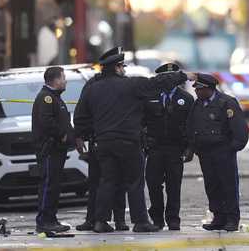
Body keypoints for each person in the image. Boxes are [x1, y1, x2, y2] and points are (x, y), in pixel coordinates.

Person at [74, 47, 197, 233]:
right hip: (128, 142)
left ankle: (100, 221)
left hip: (104, 142)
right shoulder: (131, 85)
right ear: (116, 67)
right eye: (122, 66)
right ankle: (140, 222)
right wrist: (184, 76)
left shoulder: (92, 89)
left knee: (107, 181)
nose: (124, 69)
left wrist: (84, 135)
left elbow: (81, 117)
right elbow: (159, 82)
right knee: (134, 181)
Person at [184, 73, 249, 232]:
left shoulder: (226, 103)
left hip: (223, 152)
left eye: (200, 89)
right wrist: (193, 148)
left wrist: (233, 147)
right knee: (212, 186)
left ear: (209, 89)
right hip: (205, 153)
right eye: (196, 90)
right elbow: (191, 126)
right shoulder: (198, 104)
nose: (197, 92)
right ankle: (218, 217)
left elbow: (239, 128)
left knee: (228, 185)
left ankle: (232, 219)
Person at [143, 63, 194, 231]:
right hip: (155, 147)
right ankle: (157, 218)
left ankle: (173, 218)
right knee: (153, 184)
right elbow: (141, 121)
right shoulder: (150, 96)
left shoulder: (186, 98)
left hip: (175, 148)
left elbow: (190, 126)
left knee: (174, 185)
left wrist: (189, 148)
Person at [32, 66, 73, 233]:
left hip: (57, 150)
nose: (65, 81)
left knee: (54, 185)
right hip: (50, 149)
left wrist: (73, 137)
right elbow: (47, 122)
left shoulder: (55, 97)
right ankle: (43, 221)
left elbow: (63, 121)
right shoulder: (46, 98)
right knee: (48, 185)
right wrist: (61, 135)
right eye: (63, 78)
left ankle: (51, 218)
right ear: (55, 80)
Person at [74, 135, 128, 231]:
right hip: (103, 138)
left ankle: (98, 220)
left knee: (106, 181)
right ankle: (115, 220)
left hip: (100, 138)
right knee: (111, 180)